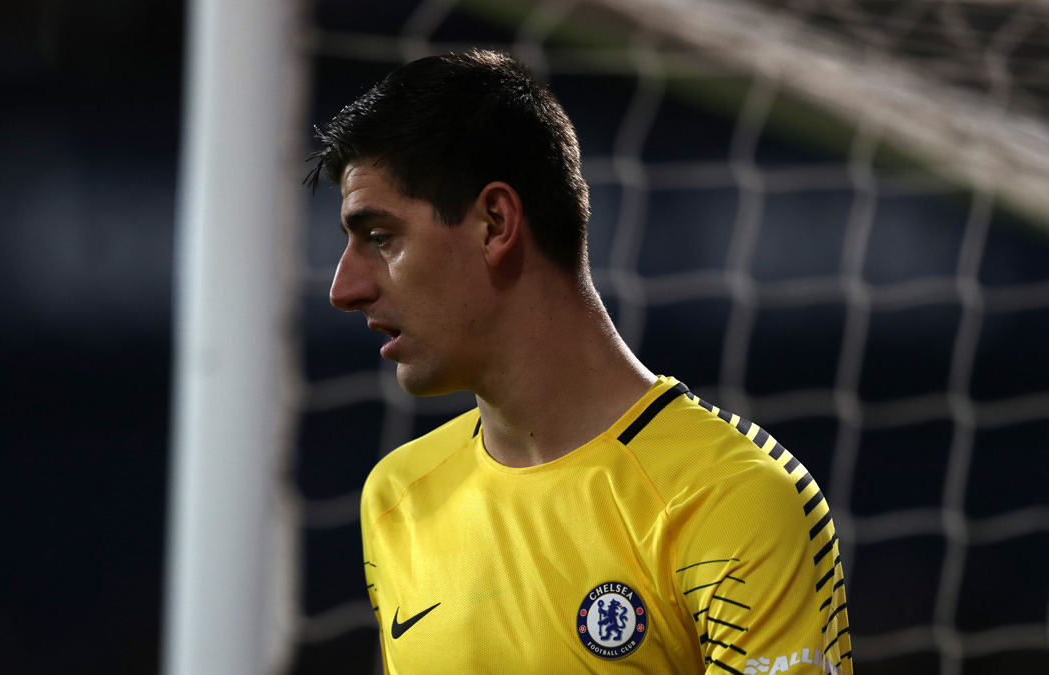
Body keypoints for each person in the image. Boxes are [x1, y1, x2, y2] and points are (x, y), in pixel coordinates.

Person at [306, 49, 852, 675]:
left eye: (380, 238)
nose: (344, 289)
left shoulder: (732, 497)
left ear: (494, 223)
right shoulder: (399, 496)